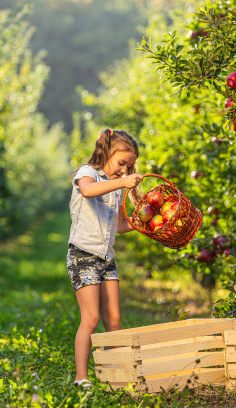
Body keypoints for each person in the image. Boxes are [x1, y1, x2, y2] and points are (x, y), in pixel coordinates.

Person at [67, 128, 143, 387]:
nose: (124, 171)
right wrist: (122, 182)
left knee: (114, 320)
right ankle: (81, 377)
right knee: (90, 318)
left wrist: (144, 224)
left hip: (106, 259)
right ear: (107, 153)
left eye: (129, 167)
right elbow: (88, 191)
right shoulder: (88, 173)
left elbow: (120, 225)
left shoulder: (117, 187)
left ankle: (114, 375)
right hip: (83, 256)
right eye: (122, 163)